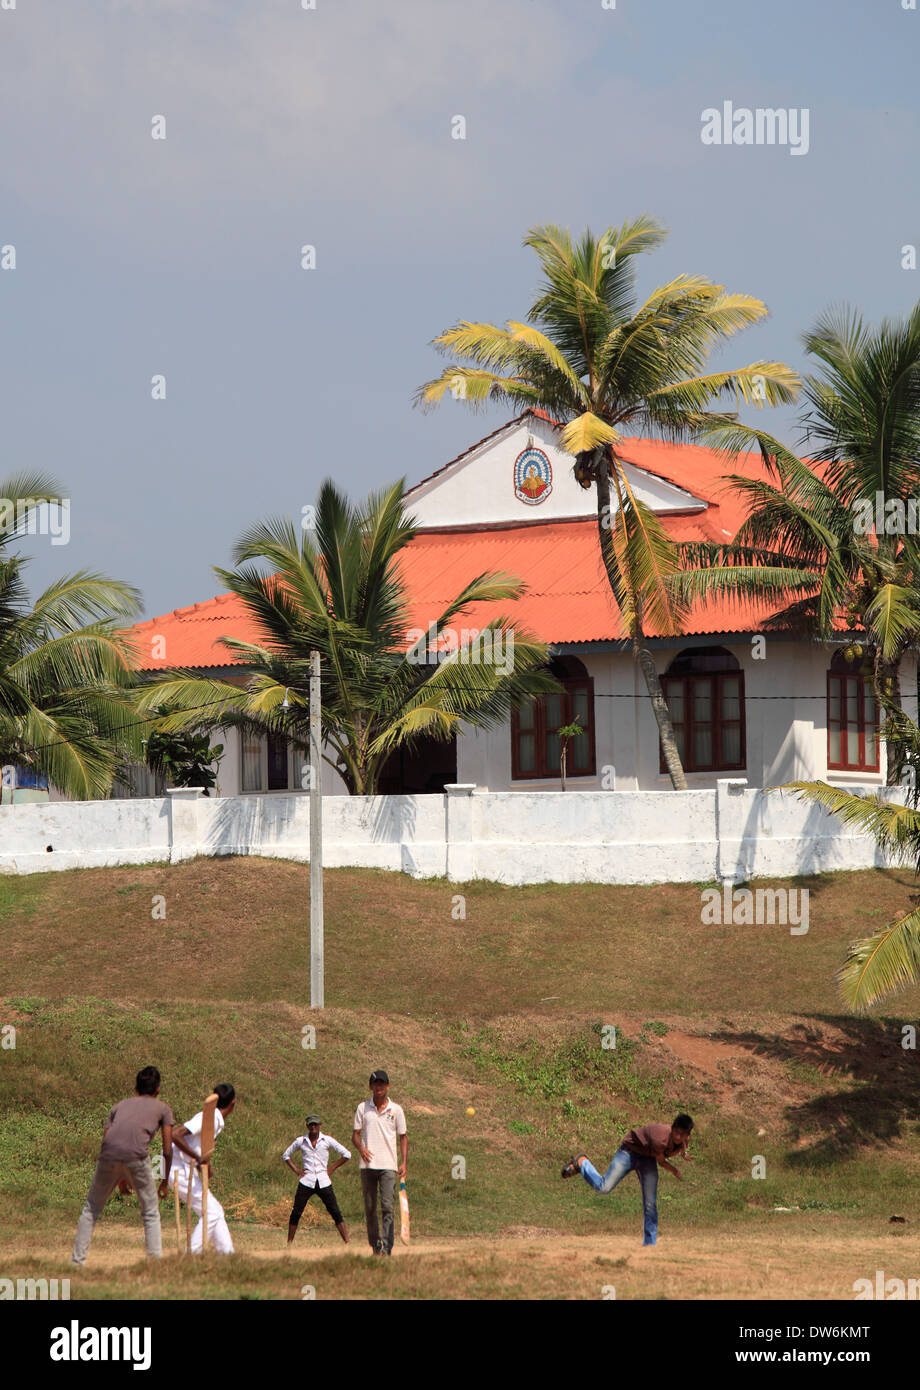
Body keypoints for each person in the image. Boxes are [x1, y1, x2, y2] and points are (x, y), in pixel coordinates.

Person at [71, 1065, 174, 1267]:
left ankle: (76, 1263)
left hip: (108, 1156)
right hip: (137, 1157)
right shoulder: (163, 1108)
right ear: (158, 1089)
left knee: (91, 1209)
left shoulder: (119, 1106)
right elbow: (167, 1150)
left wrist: (120, 1176)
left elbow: (108, 1140)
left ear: (136, 1088)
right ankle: (154, 1265)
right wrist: (164, 1182)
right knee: (150, 1212)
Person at [561, 1113, 694, 1246]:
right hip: (629, 1152)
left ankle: (650, 1244)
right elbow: (661, 1162)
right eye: (676, 1132)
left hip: (648, 1158)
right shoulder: (660, 1139)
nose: (678, 1137)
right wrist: (675, 1170)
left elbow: (681, 1145)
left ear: (687, 1135)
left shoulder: (684, 1140)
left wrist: (684, 1153)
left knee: (650, 1203)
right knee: (603, 1187)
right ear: (672, 1128)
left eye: (682, 1134)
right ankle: (582, 1163)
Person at [171, 1083, 237, 1254]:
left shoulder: (215, 1120)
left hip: (184, 1167)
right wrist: (197, 1158)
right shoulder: (210, 1117)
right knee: (212, 1212)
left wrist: (205, 1165)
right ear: (233, 1102)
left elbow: (200, 1148)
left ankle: (228, 1254)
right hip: (178, 1168)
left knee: (216, 1211)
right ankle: (192, 1254)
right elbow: (176, 1134)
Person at [353, 1070, 407, 1256]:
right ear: (370, 1087)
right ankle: (375, 1245)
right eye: (376, 1084)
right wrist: (361, 1148)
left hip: (388, 1165)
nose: (379, 1087)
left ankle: (386, 1247)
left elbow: (403, 1137)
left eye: (382, 1084)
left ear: (388, 1086)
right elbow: (355, 1135)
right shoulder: (363, 1108)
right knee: (370, 1208)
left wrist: (403, 1163)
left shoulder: (396, 1110)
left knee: (387, 1207)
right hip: (367, 1165)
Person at [282, 1113, 351, 1246]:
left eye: (315, 1124)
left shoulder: (327, 1140)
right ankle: (289, 1243)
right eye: (311, 1124)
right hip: (306, 1180)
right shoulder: (301, 1141)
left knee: (335, 1211)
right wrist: (297, 1170)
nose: (313, 1127)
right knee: (296, 1212)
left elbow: (347, 1154)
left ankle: (347, 1242)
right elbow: (286, 1155)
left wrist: (332, 1168)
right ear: (307, 1126)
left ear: (320, 1125)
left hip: (323, 1180)